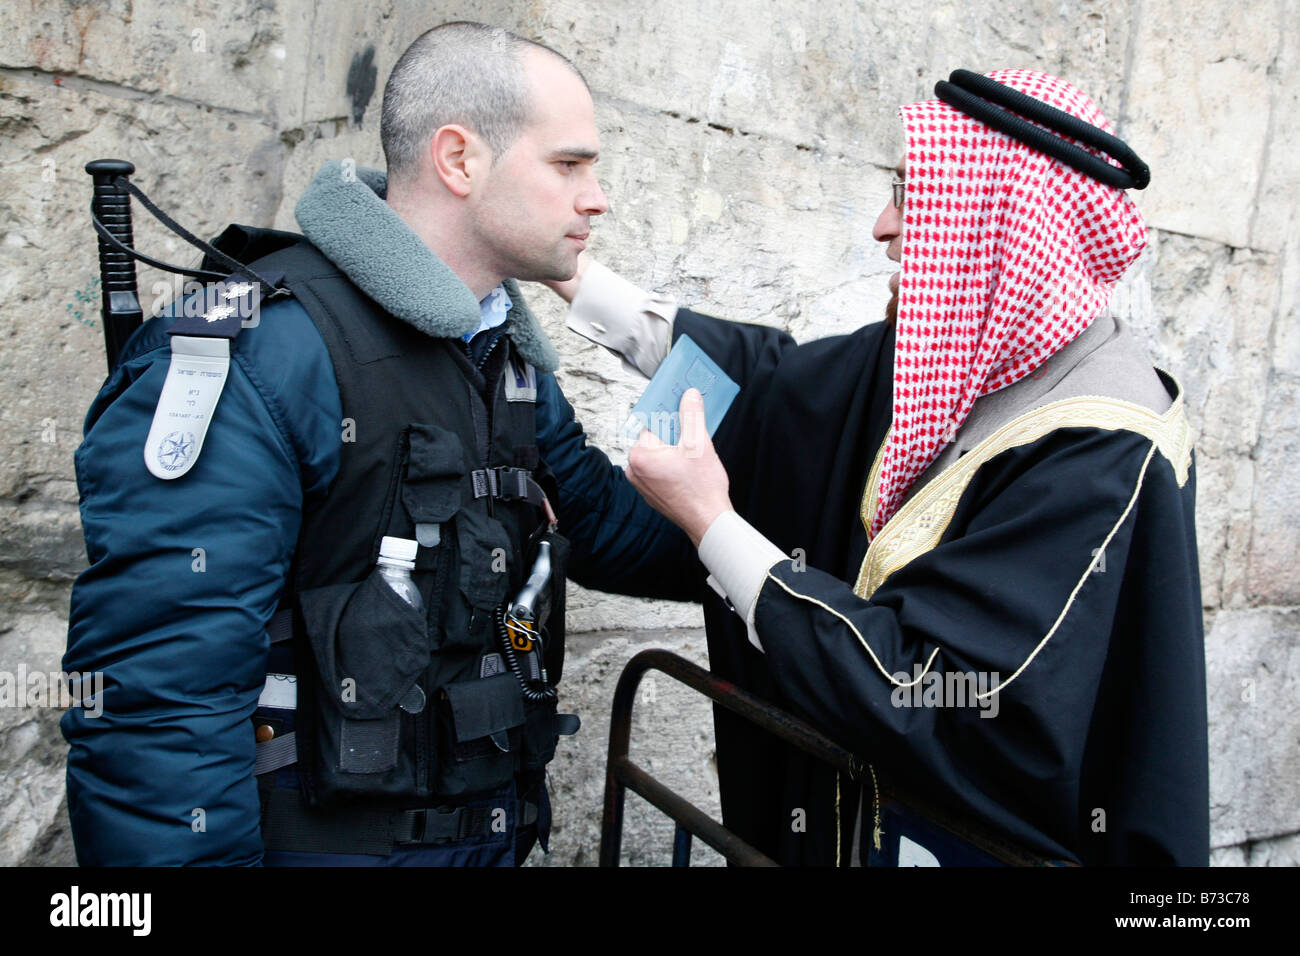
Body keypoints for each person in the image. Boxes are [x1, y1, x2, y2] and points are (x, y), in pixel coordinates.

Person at [61, 21, 687, 867]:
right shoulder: (263, 354)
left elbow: (606, 523)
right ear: (459, 160)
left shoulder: (501, 353)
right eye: (570, 165)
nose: (597, 197)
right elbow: (160, 710)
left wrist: (780, 560)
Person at [555, 69, 1209, 865]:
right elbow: (785, 387)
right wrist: (575, 282)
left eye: (911, 191)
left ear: (995, 220)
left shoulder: (1101, 443)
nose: (882, 226)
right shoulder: (988, 350)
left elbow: (937, 694)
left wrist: (712, 523)